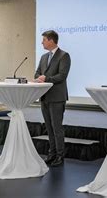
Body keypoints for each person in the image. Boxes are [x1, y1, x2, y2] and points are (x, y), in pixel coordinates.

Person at [34, 30, 71, 167]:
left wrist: (46, 78)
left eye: (44, 40)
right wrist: (39, 77)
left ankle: (60, 156)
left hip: (57, 97)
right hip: (44, 96)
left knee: (57, 128)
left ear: (51, 40)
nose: (42, 42)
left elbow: (62, 75)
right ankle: (52, 154)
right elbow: (37, 72)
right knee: (49, 128)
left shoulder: (64, 56)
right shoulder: (44, 57)